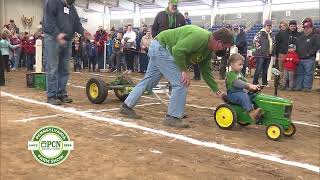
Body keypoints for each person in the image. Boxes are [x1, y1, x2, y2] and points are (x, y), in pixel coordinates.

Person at [119, 25, 233, 128]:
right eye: (224, 47)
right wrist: (184, 70)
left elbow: (206, 72)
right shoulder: (199, 37)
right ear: (218, 42)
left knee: (148, 81)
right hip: (161, 48)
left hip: (160, 48)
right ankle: (172, 118)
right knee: (181, 82)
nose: (224, 50)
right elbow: (177, 50)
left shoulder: (208, 51)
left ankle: (126, 106)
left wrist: (218, 92)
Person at [43, 0, 92, 105]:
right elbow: (48, 21)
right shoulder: (51, 2)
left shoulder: (71, 6)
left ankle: (61, 93)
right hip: (53, 38)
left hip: (67, 40)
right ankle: (51, 95)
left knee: (65, 68)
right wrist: (57, 34)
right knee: (53, 68)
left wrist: (83, 31)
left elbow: (76, 23)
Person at [226, 54, 262, 121]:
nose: (241, 67)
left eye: (242, 65)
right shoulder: (230, 74)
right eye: (239, 64)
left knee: (254, 95)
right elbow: (237, 83)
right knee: (244, 96)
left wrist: (253, 87)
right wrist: (249, 85)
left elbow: (246, 83)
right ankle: (252, 113)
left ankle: (257, 110)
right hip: (232, 95)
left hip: (240, 93)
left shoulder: (240, 74)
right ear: (232, 64)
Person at [294, 20, 320, 91]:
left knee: (308, 73)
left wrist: (309, 53)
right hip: (300, 58)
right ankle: (299, 86)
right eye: (304, 27)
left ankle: (306, 87)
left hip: (309, 59)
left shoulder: (315, 36)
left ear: (311, 28)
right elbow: (297, 47)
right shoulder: (300, 37)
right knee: (299, 73)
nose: (306, 29)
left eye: (307, 27)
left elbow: (316, 46)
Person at [252, 20, 274, 86]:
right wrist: (260, 50)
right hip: (261, 54)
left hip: (269, 54)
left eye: (270, 25)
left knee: (265, 69)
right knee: (258, 68)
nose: (269, 27)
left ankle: (264, 82)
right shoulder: (260, 33)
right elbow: (255, 41)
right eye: (268, 25)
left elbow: (273, 43)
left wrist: (272, 51)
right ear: (265, 25)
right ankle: (255, 82)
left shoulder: (271, 34)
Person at [275, 20, 289, 85]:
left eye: (284, 25)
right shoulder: (278, 34)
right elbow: (277, 44)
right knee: (281, 69)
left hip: (288, 54)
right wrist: (276, 54)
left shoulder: (289, 33)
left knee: (287, 68)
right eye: (282, 25)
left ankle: (285, 82)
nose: (283, 27)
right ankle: (281, 82)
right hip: (281, 53)